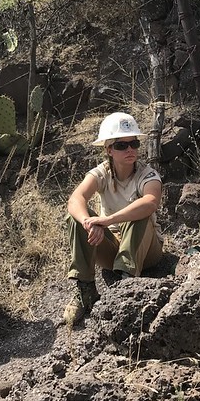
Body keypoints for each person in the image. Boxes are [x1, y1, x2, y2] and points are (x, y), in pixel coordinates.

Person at [63, 112, 163, 325]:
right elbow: (75, 199)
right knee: (75, 218)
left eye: (134, 143)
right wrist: (89, 223)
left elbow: (150, 202)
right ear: (109, 149)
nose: (130, 150)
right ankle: (85, 289)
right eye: (121, 145)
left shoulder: (148, 174)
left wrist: (106, 221)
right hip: (111, 247)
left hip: (147, 251)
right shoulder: (101, 173)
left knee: (138, 214)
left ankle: (125, 285)